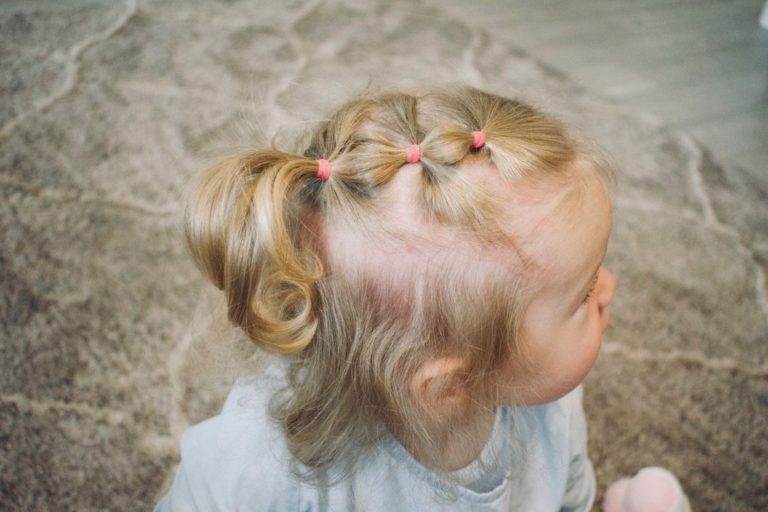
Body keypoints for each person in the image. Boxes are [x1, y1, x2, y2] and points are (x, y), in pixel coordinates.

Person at [154, 86, 690, 511]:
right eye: (583, 294)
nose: (610, 288)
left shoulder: (546, 401)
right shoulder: (266, 465)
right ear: (450, 383)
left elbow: (567, 487)